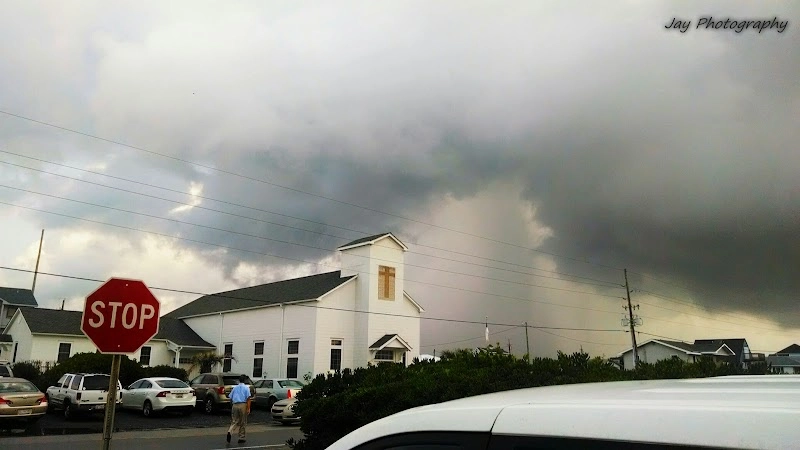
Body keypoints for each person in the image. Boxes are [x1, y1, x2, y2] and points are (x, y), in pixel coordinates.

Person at [227, 374, 252, 444]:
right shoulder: (246, 388)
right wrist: (248, 408)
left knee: (234, 420)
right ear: (245, 380)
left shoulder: (235, 388)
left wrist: (232, 404)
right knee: (243, 421)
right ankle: (241, 437)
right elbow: (248, 399)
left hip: (235, 404)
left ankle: (230, 431)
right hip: (243, 404)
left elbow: (230, 397)